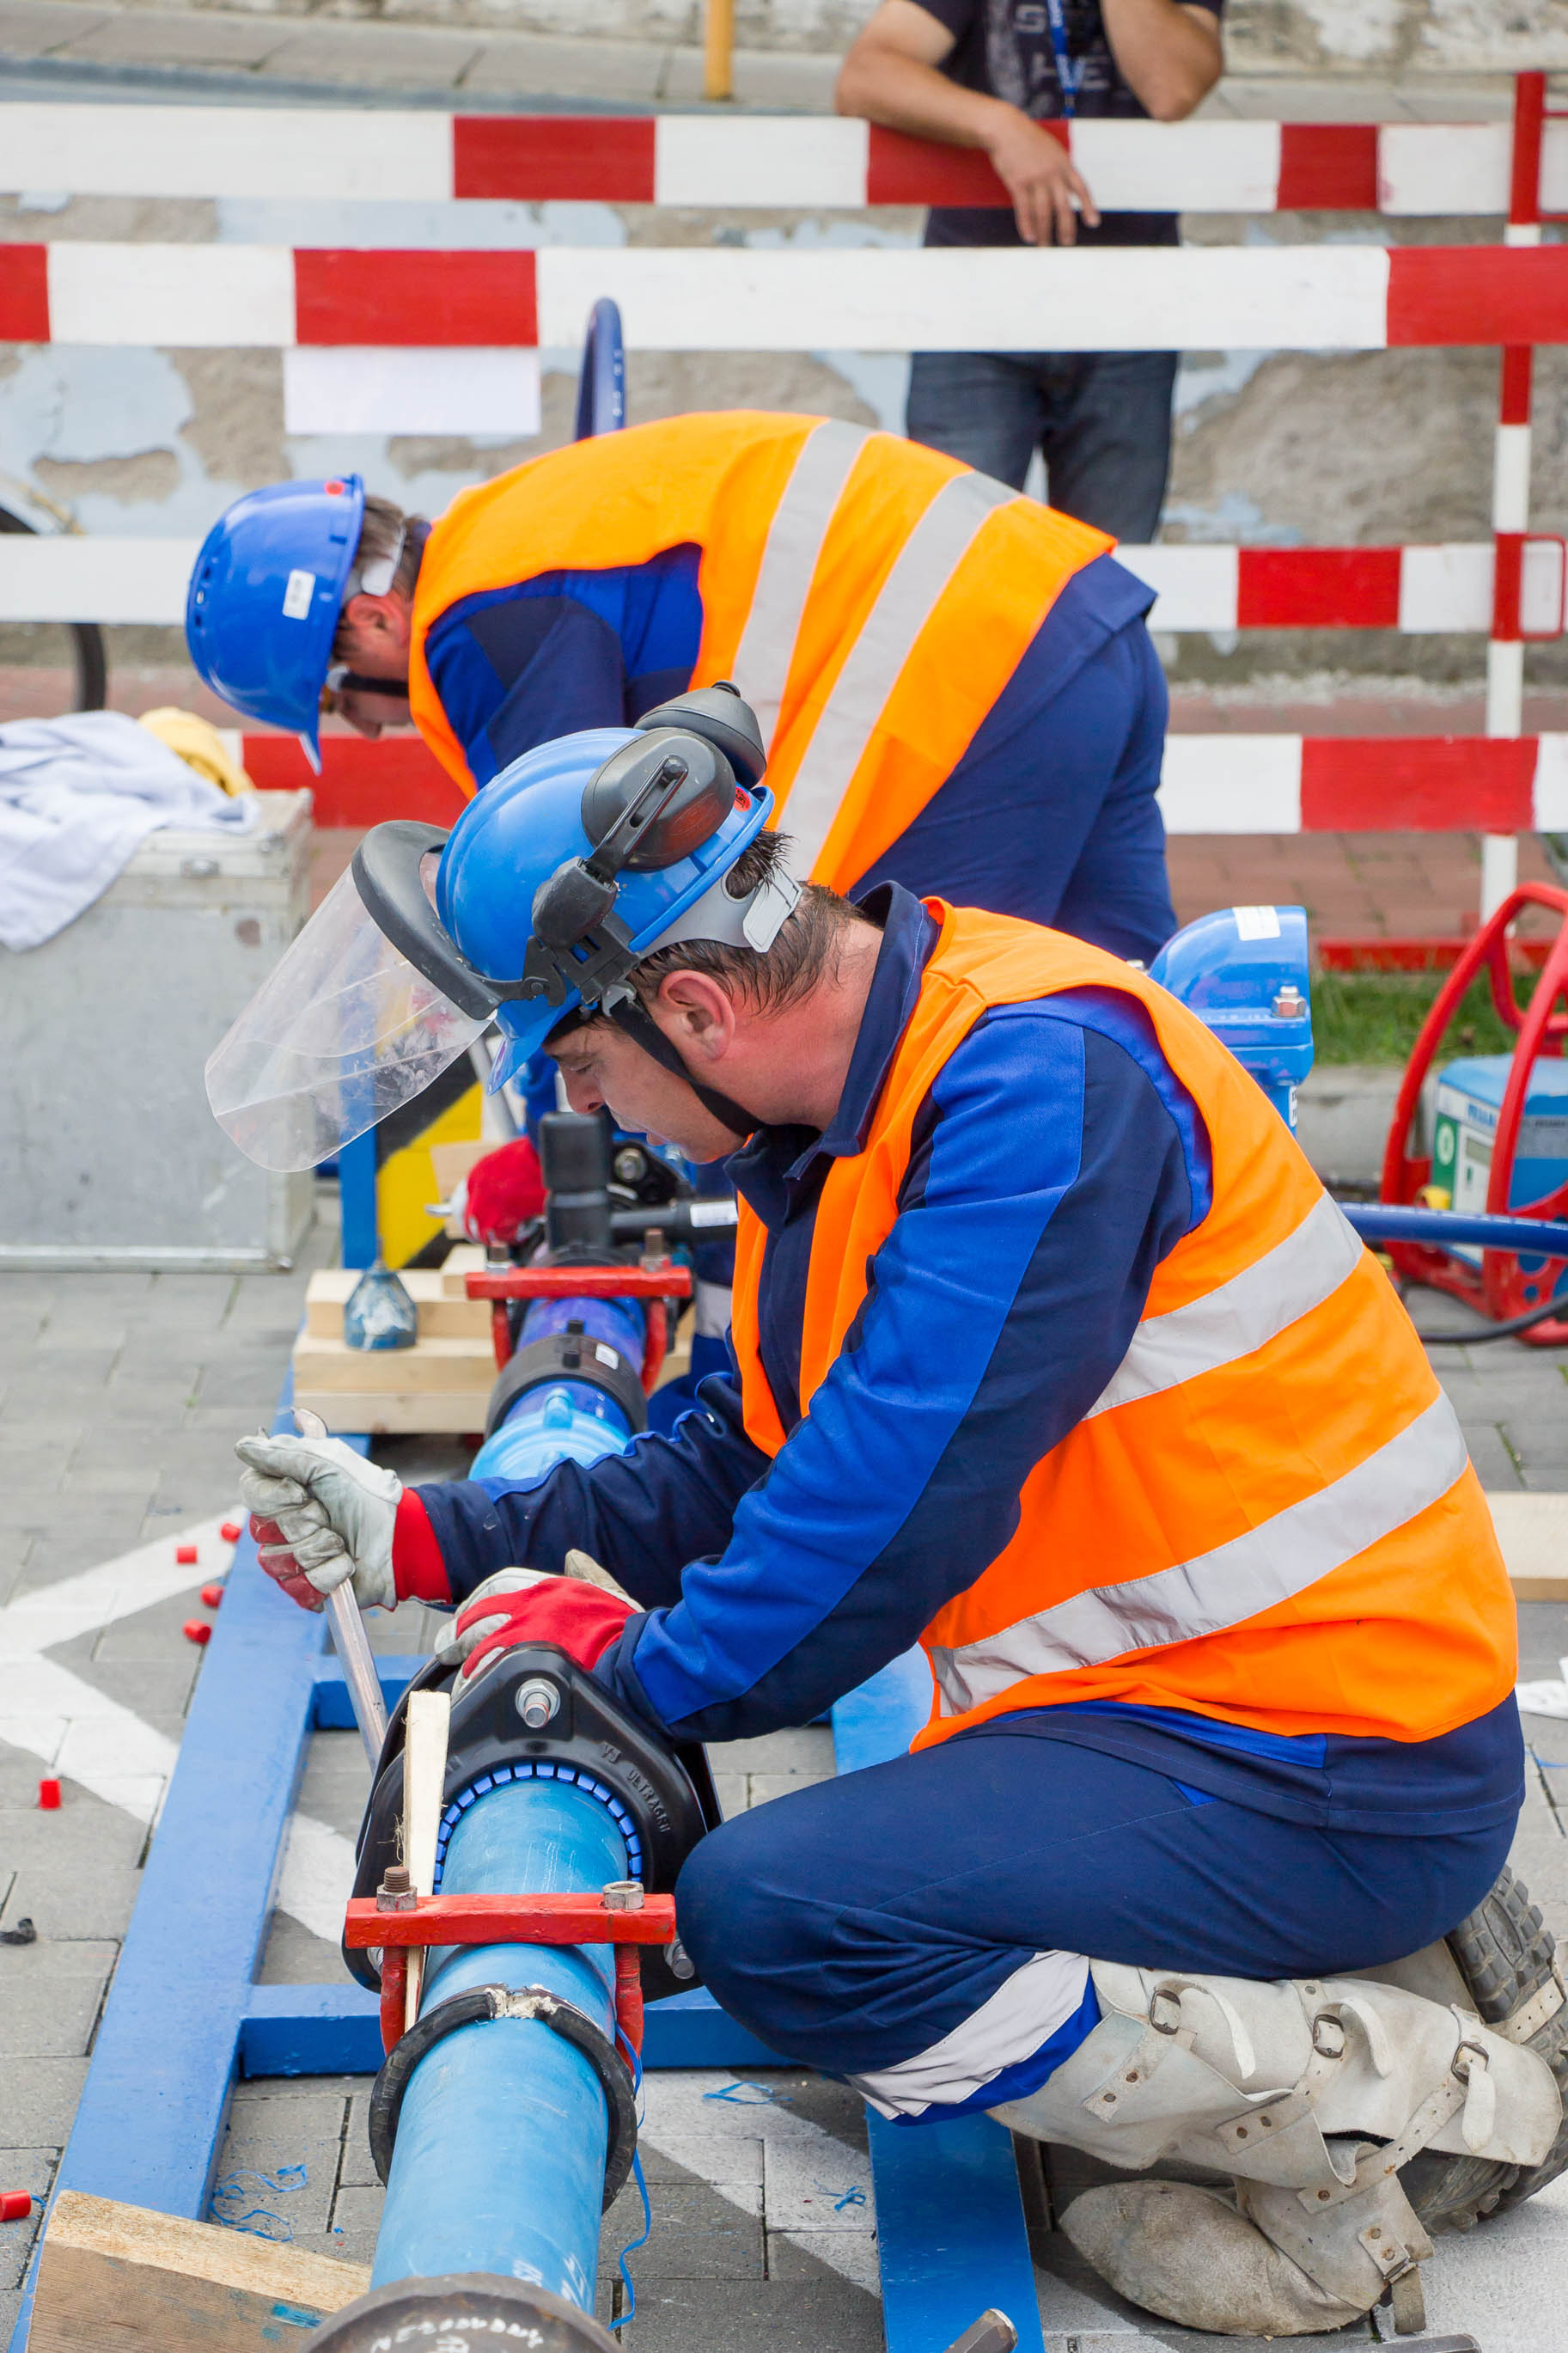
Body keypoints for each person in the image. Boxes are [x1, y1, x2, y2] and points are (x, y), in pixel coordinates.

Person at [223, 701, 1565, 2340]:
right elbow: (748, 1463)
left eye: (579, 1065)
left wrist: (624, 1689)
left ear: (695, 1008)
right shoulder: (844, 1109)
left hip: (1338, 1756)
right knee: (832, 1886)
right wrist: (427, 1535)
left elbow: (877, 1518)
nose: (596, 1112)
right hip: (1193, 1711)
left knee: (788, 1919)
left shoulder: (1034, 1093)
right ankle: (1276, 1992)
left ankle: (1413, 2103)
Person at [185, 416, 1175, 961]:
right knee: (1136, 993)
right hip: (1070, 607)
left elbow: (580, 877)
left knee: (916, 1021)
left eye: (337, 700)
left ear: (369, 622)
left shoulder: (480, 623)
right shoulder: (508, 539)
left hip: (973, 672)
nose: (363, 728)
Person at [836, 0, 1224, 537]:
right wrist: (1001, 126)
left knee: (1105, 569)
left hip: (1127, 314)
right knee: (954, 556)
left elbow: (1171, 91)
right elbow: (865, 76)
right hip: (977, 309)